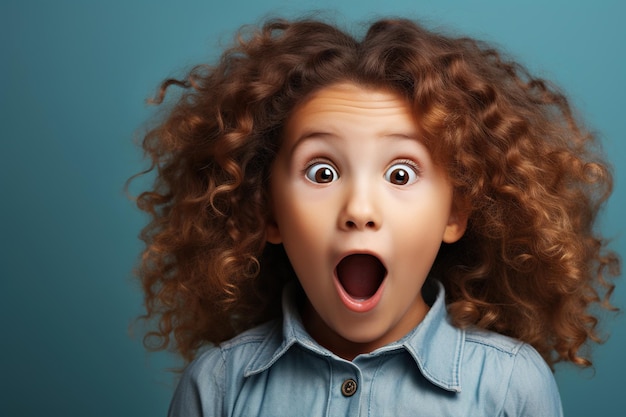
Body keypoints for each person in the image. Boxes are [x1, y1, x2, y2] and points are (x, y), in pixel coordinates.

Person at [132, 17, 620, 416]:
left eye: (401, 175)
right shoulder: (218, 387)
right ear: (268, 211)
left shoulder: (510, 385)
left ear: (454, 213)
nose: (360, 210)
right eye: (322, 173)